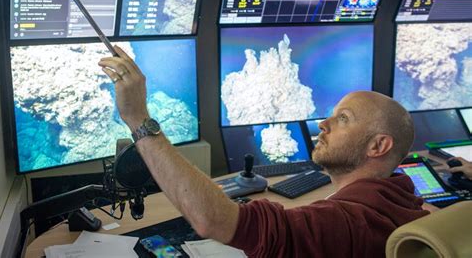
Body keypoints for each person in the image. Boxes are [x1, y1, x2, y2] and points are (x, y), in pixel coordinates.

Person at [99, 47, 429, 257]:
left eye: (343, 119)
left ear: (378, 146)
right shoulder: (406, 203)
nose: (323, 125)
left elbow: (213, 220)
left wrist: (138, 118)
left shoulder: (347, 224)